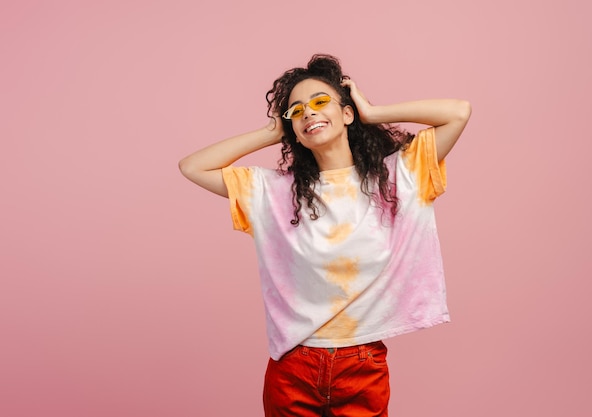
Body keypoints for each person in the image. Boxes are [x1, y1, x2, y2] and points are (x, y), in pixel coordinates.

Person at [179, 54, 471, 417]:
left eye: (320, 102)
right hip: (293, 366)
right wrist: (270, 133)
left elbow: (458, 111)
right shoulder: (274, 192)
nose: (308, 113)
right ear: (293, 130)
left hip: (361, 363)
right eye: (296, 111)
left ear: (347, 113)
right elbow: (192, 166)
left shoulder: (400, 175)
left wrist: (372, 111)